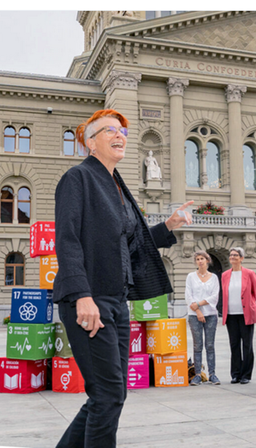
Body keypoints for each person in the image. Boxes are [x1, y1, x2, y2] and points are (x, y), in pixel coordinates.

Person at [53, 109, 192, 448]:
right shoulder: (78, 179)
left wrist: (168, 226)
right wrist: (82, 295)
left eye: (123, 131)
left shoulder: (116, 186)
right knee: (108, 395)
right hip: (89, 300)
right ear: (90, 142)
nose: (121, 136)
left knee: (107, 395)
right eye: (110, 130)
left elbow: (128, 243)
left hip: (116, 302)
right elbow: (67, 239)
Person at [222, 247, 256, 384]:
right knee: (234, 345)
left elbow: (255, 292)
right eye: (231, 255)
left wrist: (249, 306)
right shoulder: (225, 275)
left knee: (247, 345)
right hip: (231, 314)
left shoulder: (249, 273)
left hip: (246, 314)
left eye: (236, 255)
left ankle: (246, 375)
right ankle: (235, 373)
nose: (233, 257)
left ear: (241, 258)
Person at [185, 251, 221, 386]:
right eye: (198, 259)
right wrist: (198, 311)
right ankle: (198, 374)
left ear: (207, 261)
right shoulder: (191, 277)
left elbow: (214, 297)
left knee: (210, 345)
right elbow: (189, 295)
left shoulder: (214, 277)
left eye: (202, 259)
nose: (200, 261)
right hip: (195, 315)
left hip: (211, 314)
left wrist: (199, 304)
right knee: (197, 345)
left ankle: (212, 374)